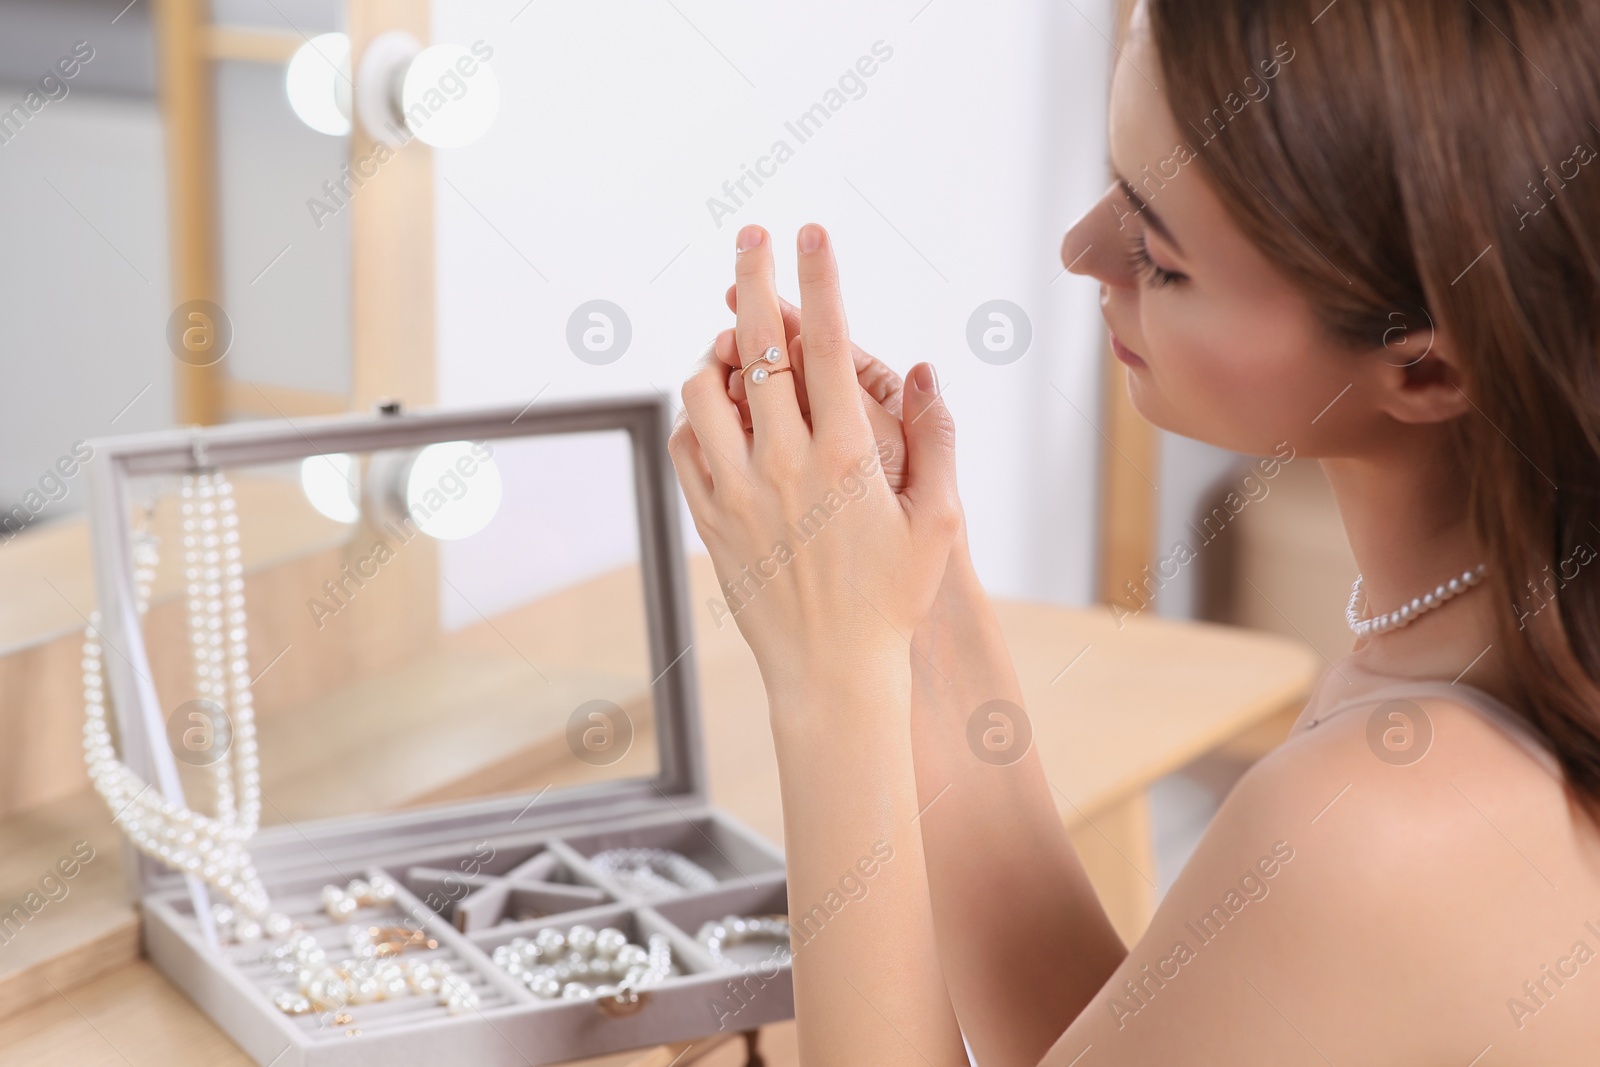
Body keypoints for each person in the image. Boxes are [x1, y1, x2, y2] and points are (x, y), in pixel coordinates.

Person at [667, 0, 1600, 1061]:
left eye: (1159, 255)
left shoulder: (1382, 822)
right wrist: (916, 602)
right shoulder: (1488, 647)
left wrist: (830, 676)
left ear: (1426, 362)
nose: (1080, 250)